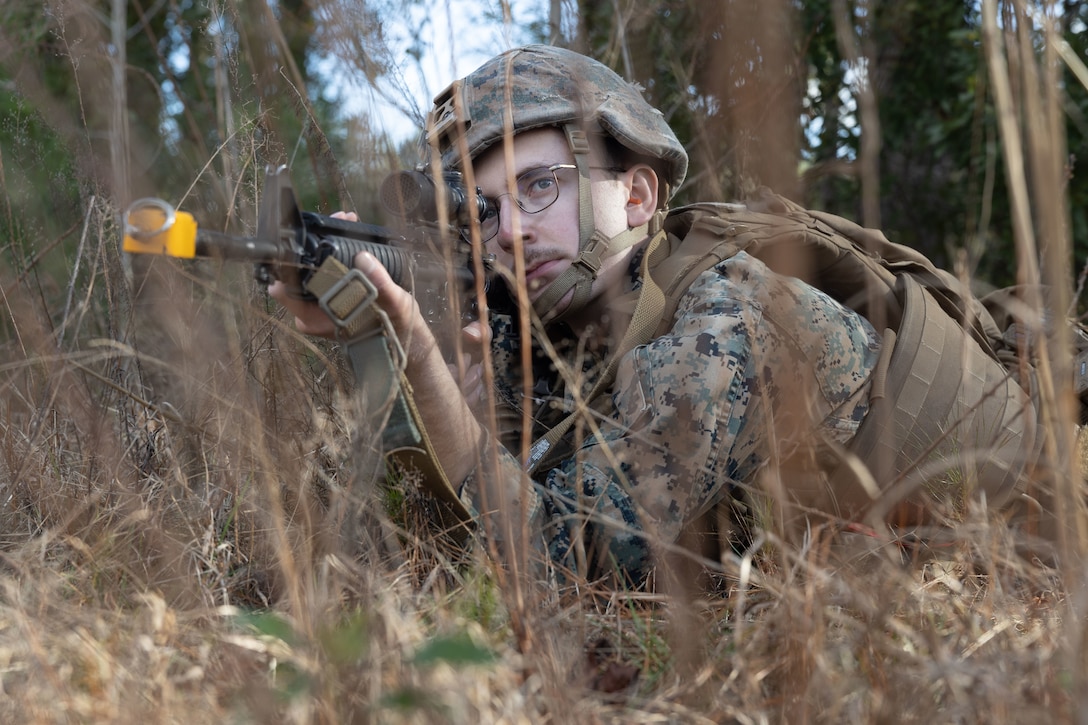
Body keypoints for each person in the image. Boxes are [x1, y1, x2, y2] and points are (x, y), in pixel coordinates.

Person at [272, 45, 1047, 588]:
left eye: (540, 186)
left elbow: (555, 568)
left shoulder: (725, 324)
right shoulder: (562, 329)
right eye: (484, 210)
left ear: (637, 196)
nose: (509, 231)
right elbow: (422, 551)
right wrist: (381, 339)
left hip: (1034, 554)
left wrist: (418, 361)